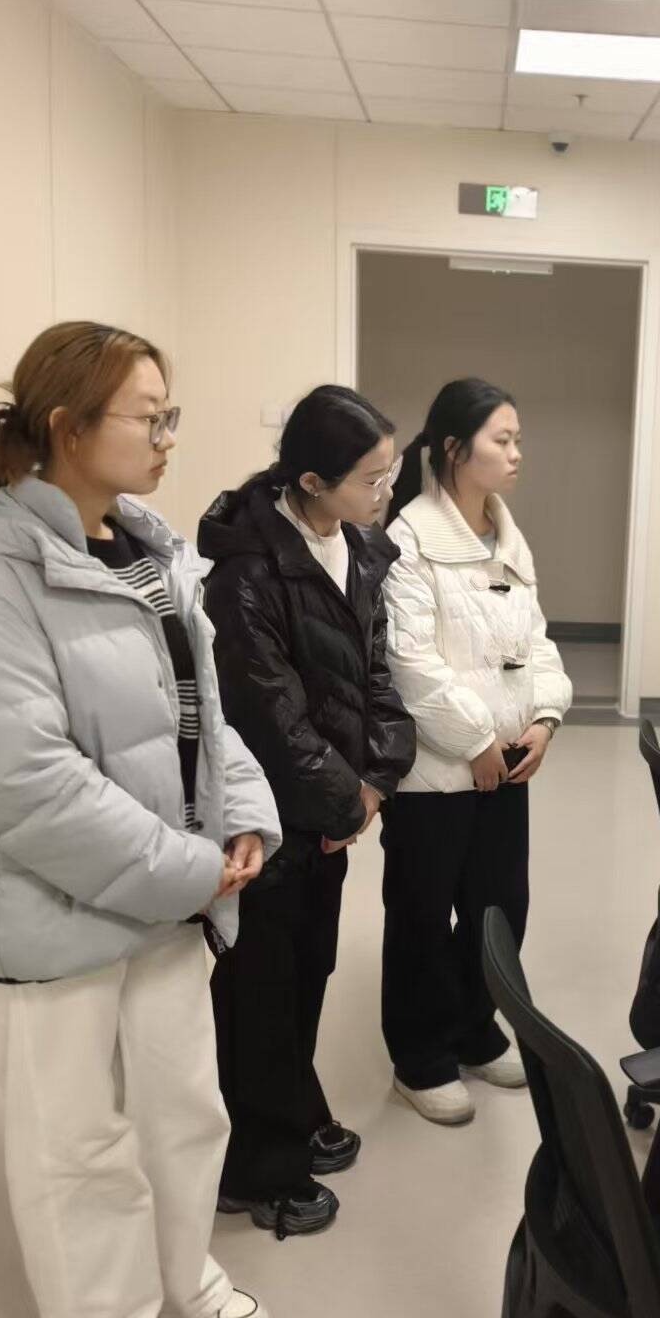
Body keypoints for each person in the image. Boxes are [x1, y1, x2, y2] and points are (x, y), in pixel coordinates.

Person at [0, 322, 281, 1318]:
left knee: (183, 1107)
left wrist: (244, 820)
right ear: (67, 427)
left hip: (170, 896)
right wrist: (187, 869)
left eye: (167, 415)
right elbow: (18, 778)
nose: (166, 437)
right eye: (149, 417)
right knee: (77, 1140)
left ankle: (179, 1282)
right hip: (53, 918)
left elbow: (204, 716)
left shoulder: (147, 549)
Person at [199, 385, 415, 1236]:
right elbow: (269, 715)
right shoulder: (247, 574)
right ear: (314, 482)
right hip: (270, 821)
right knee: (260, 988)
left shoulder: (358, 546)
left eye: (390, 474)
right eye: (372, 479)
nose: (385, 493)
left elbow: (378, 675)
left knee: (308, 970)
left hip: (332, 812)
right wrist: (341, 800)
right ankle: (256, 1169)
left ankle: (294, 1105)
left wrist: (376, 781)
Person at [379, 378, 572, 1125]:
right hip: (435, 774)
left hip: (507, 766)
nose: (517, 453)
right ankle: (420, 1056)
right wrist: (476, 741)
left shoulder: (505, 537)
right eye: (503, 439)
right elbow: (409, 662)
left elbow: (538, 642)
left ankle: (472, 1028)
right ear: (455, 449)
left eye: (518, 439)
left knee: (499, 909)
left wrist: (545, 718)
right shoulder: (409, 539)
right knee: (423, 916)